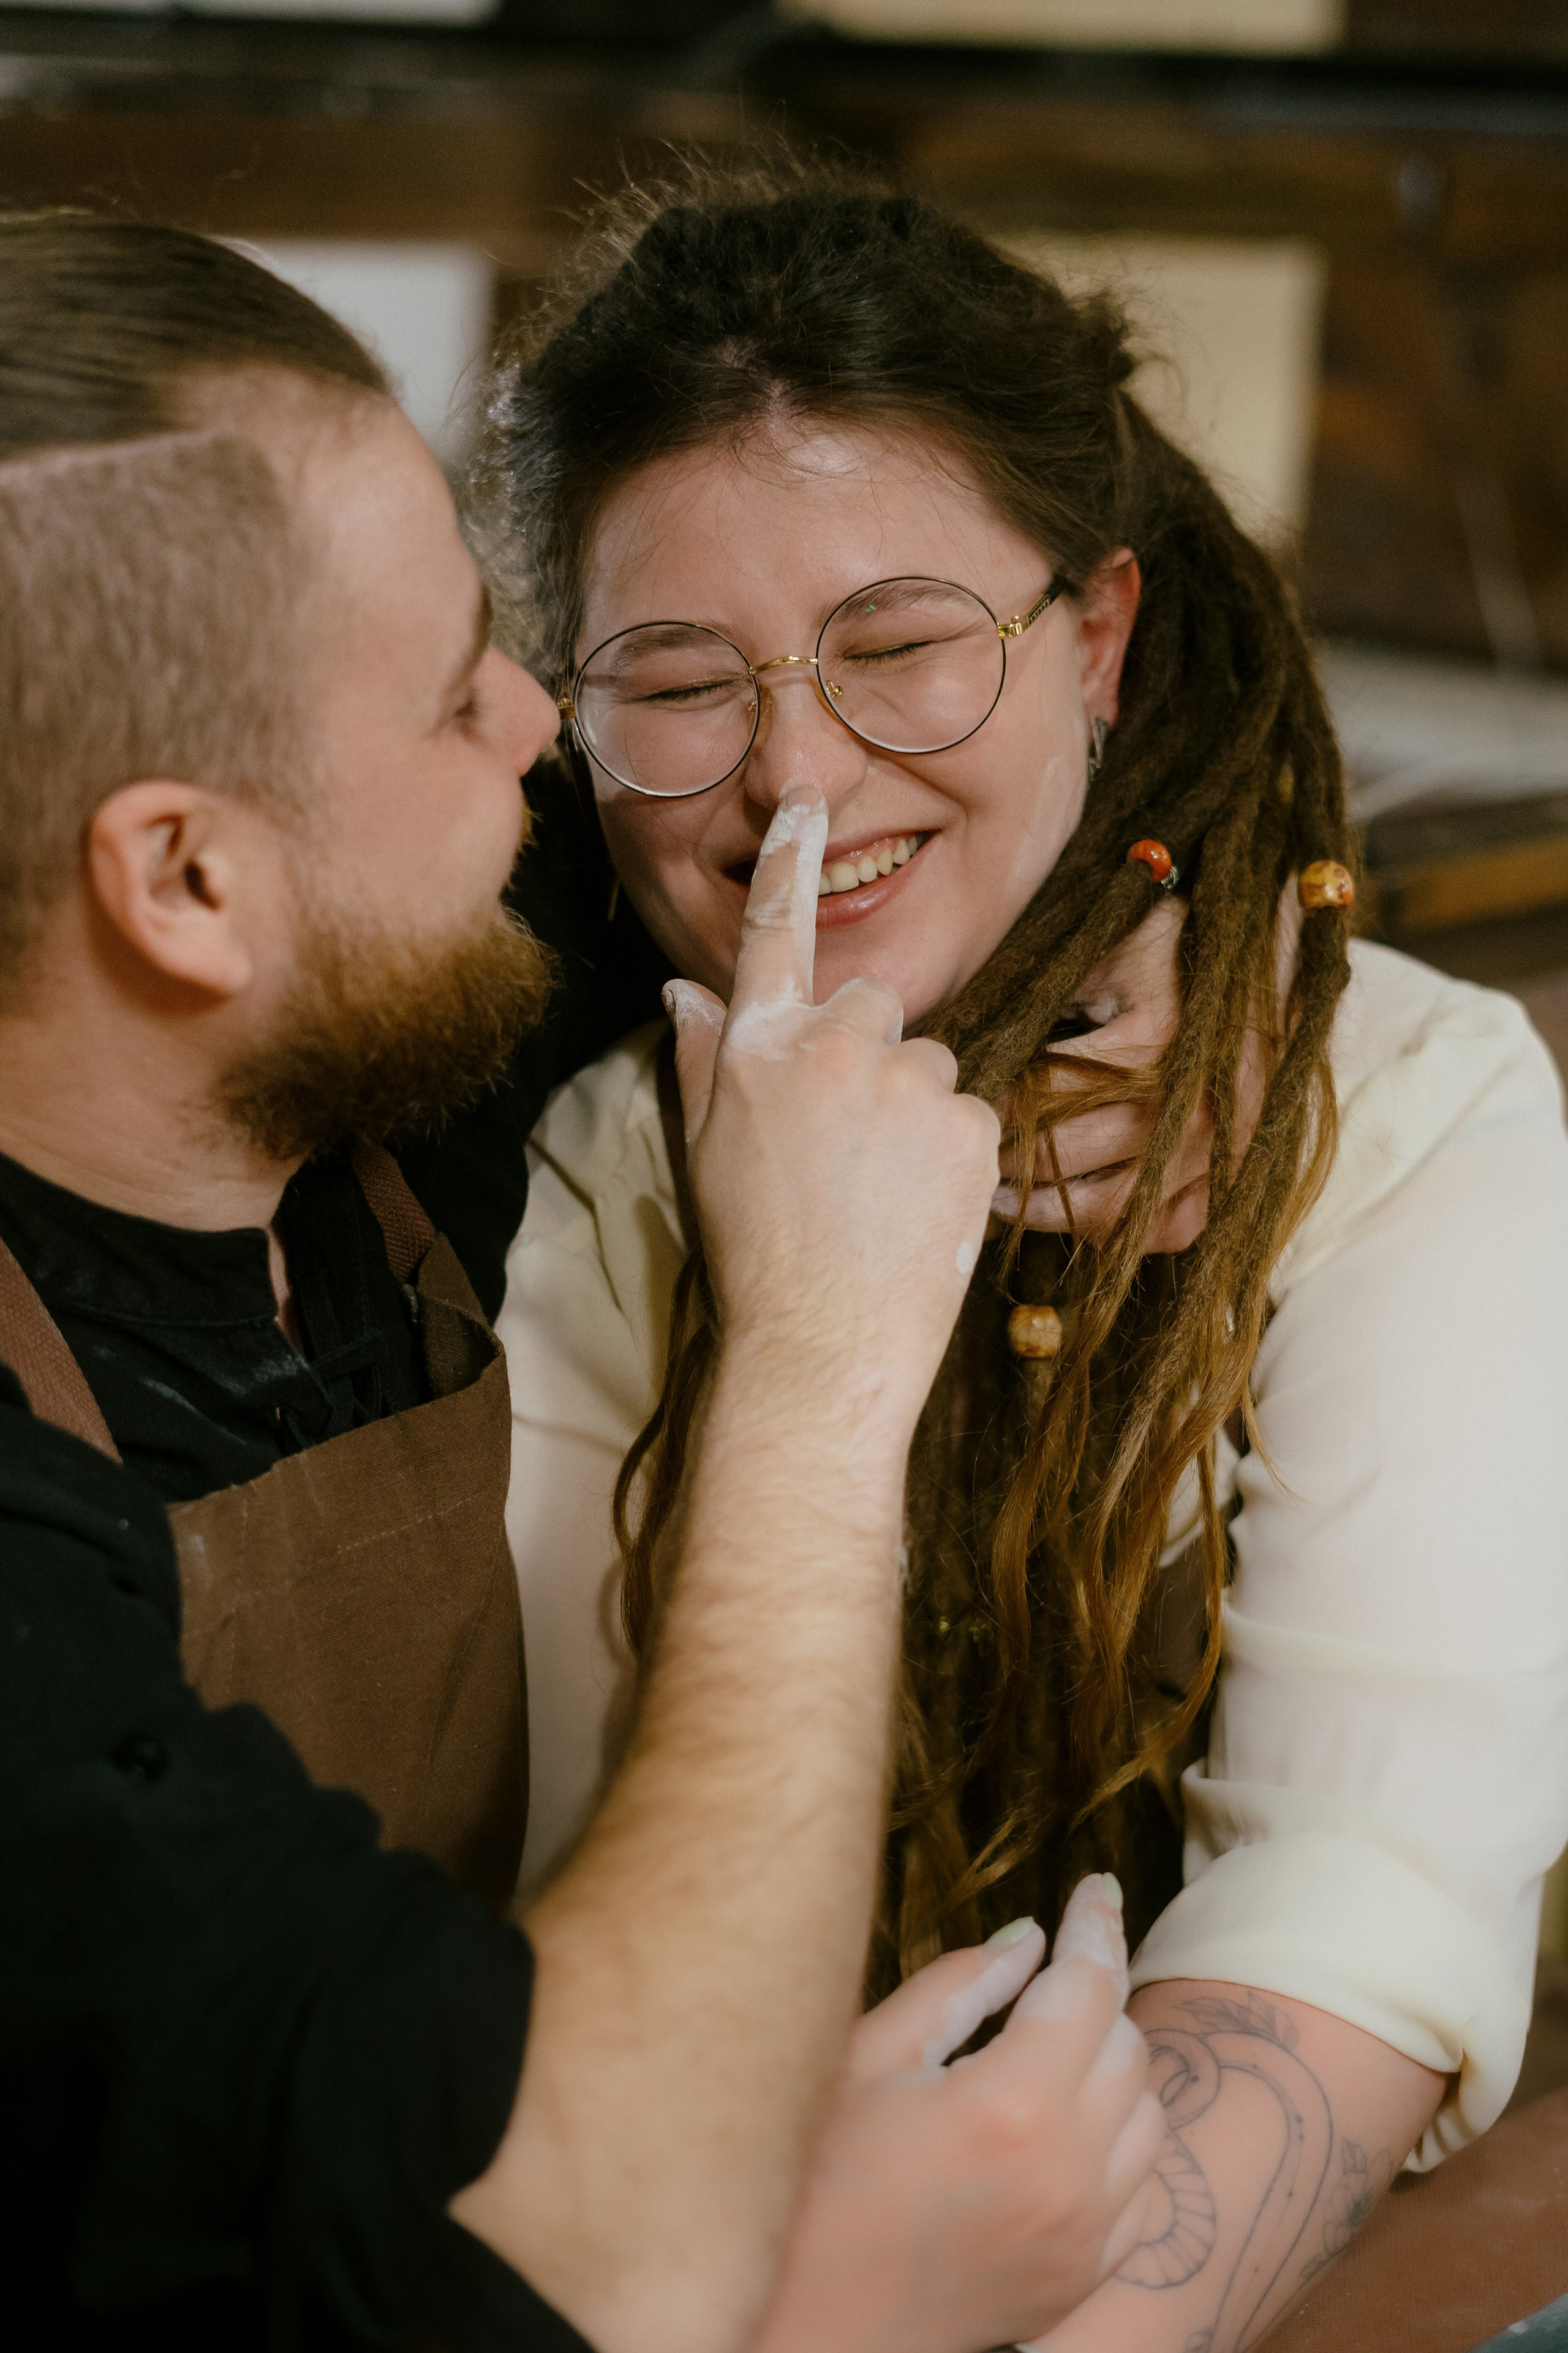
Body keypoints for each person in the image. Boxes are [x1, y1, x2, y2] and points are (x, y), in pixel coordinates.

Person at [0, 214, 1167, 2353]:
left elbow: (979, 620)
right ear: (184, 879)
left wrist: (1197, 890)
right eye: (461, 692)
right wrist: (819, 1369)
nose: (548, 735)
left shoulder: (367, 1021)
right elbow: (591, 2243)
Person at [483, 161, 1568, 2352]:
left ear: (1095, 639)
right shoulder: (589, 1155)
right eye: (678, 681)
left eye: (896, 646)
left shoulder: (1402, 1104)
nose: (800, 773)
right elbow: (603, 1930)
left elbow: (1349, 1912)